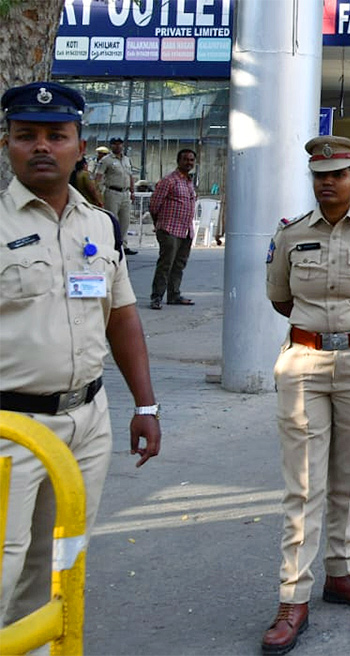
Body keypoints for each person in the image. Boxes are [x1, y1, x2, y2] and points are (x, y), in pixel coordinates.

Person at [0, 81, 161, 628]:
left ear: (77, 144)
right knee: (2, 568)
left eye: (55, 135)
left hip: (88, 423)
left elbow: (121, 316)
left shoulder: (101, 224)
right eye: (27, 135)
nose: (41, 146)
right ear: (8, 145)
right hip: (10, 428)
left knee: (60, 567)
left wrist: (146, 406)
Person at [263, 135, 350, 654]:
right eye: (321, 175)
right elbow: (279, 296)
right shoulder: (290, 235)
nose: (328, 182)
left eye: (339, 174)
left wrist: (348, 334)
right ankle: (292, 595)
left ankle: (342, 573)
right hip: (303, 362)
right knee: (303, 484)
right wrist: (321, 335)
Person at [148, 149, 198, 309]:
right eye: (185, 160)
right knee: (165, 264)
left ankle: (174, 295)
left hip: (186, 230)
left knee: (179, 264)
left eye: (191, 160)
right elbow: (154, 205)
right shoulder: (169, 181)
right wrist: (160, 225)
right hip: (169, 229)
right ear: (178, 161)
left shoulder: (189, 182)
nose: (188, 163)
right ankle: (156, 297)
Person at [94, 136, 137, 255]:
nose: (118, 146)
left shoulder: (126, 160)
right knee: (112, 220)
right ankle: (112, 244)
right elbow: (98, 176)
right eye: (115, 144)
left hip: (125, 192)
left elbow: (130, 176)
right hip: (112, 192)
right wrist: (97, 192)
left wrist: (132, 191)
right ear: (111, 146)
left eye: (120, 144)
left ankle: (123, 245)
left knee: (125, 220)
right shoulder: (106, 160)